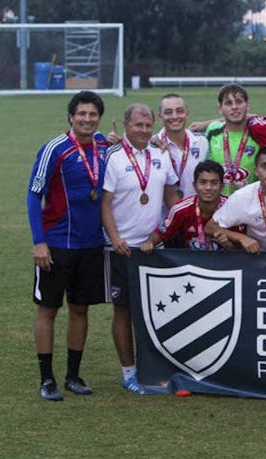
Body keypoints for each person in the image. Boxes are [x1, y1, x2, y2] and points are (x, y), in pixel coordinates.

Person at [27, 91, 109, 401]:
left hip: (91, 245)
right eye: (82, 114)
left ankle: (73, 376)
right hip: (57, 244)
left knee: (80, 309)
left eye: (93, 114)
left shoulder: (103, 145)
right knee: (48, 309)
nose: (87, 119)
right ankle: (46, 379)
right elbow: (34, 195)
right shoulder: (54, 149)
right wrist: (39, 242)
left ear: (98, 118)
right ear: (71, 117)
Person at [101, 103, 179, 394]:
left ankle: (157, 368)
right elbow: (105, 204)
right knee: (123, 310)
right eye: (138, 125)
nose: (144, 131)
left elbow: (172, 197)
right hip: (122, 248)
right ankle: (128, 373)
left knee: (157, 310)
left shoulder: (160, 154)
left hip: (153, 248)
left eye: (148, 125)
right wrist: (115, 238)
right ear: (126, 125)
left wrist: (178, 229)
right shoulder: (113, 157)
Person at [140, 161, 234, 252]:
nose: (208, 188)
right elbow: (160, 233)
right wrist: (149, 243)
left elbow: (241, 247)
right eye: (203, 182)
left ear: (222, 186)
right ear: (194, 186)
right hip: (191, 262)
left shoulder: (232, 208)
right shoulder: (180, 210)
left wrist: (228, 245)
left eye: (214, 183)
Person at [205, 84, 260, 194]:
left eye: (239, 102)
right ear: (220, 109)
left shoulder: (259, 134)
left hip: (249, 201)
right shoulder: (212, 131)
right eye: (228, 103)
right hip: (217, 202)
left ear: (247, 106)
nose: (234, 107)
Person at [156, 93, 209, 199]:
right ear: (160, 116)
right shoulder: (151, 146)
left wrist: (207, 123)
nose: (175, 116)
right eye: (168, 112)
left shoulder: (201, 142)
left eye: (179, 111)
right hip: (164, 209)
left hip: (195, 209)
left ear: (187, 113)